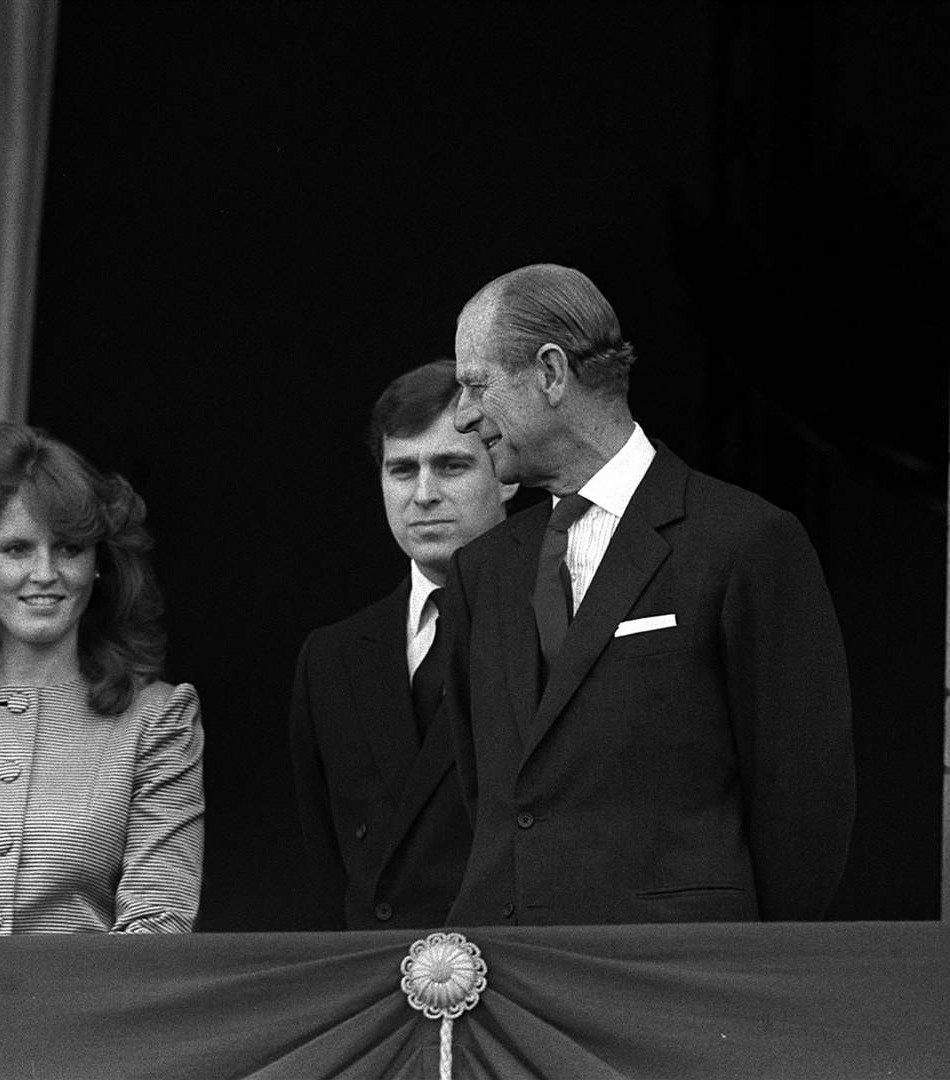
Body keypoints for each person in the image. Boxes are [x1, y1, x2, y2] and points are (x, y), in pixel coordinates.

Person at [442, 263, 855, 925]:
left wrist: (741, 970)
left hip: (674, 987)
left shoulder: (742, 541)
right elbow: (486, 796)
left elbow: (802, 798)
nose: (462, 417)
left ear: (550, 373)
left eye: (474, 385)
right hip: (509, 982)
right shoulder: (481, 572)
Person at [0, 421, 204, 934]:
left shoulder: (157, 718)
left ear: (99, 565)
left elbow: (159, 920)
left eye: (69, 548)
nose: (44, 573)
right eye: (17, 549)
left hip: (79, 1011)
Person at [289, 361, 516, 930]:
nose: (422, 494)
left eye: (451, 465)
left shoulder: (555, 625)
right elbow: (322, 869)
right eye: (401, 469)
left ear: (507, 475)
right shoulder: (332, 658)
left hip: (513, 980)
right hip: (378, 986)